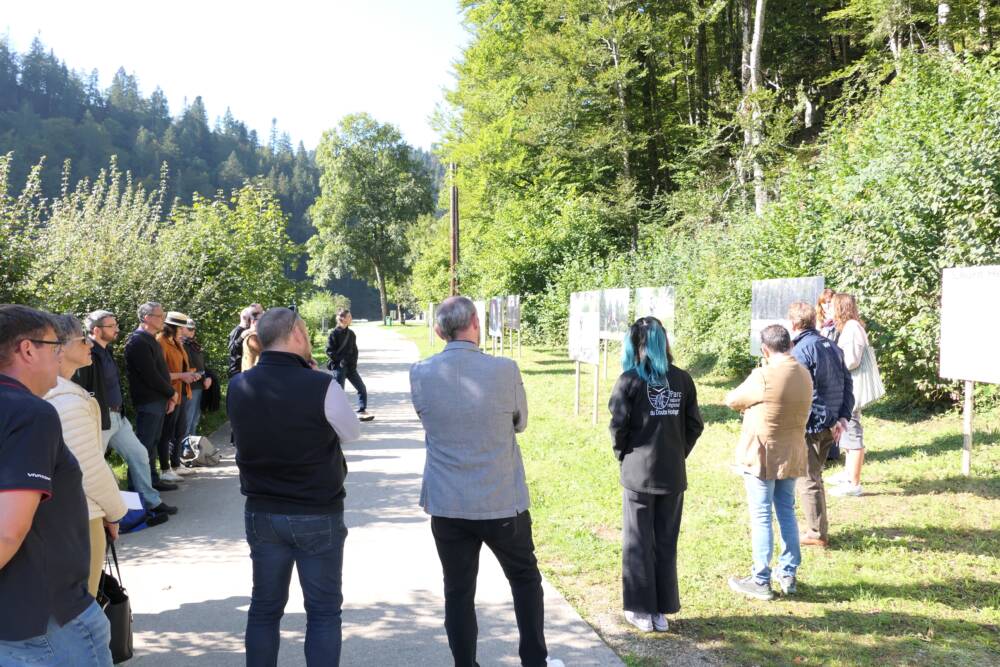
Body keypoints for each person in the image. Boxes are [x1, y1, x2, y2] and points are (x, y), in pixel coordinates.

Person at [409, 296, 565, 667]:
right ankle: (533, 660)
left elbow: (426, 418)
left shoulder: (421, 372)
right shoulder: (505, 370)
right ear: (476, 324)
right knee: (525, 580)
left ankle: (465, 664)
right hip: (500, 499)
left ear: (438, 331)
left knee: (458, 591)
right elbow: (520, 422)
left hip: (448, 503)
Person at [228, 308, 361, 667]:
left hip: (262, 509)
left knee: (264, 609)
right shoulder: (322, 385)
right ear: (298, 335)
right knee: (323, 612)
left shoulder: (239, 385)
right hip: (316, 509)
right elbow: (351, 432)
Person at [0, 304, 113, 666]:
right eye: (53, 345)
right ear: (27, 350)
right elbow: (8, 532)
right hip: (47, 622)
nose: (58, 353)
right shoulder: (30, 413)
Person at [608, 316, 704, 633]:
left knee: (638, 540)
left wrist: (624, 456)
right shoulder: (682, 379)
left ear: (635, 344)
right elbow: (694, 426)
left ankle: (641, 608)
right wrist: (677, 451)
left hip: (638, 473)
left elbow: (618, 429)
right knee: (664, 541)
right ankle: (660, 611)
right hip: (671, 473)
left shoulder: (629, 381)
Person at [725, 324, 813, 600]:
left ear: (765, 349)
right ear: (789, 345)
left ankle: (760, 578)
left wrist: (750, 407)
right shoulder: (804, 373)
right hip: (792, 452)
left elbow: (733, 399)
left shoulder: (763, 375)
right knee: (786, 511)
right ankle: (788, 572)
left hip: (763, 455)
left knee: (762, 515)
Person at [45, 314, 129, 596]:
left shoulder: (51, 394)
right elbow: (88, 469)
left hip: (63, 512)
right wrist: (115, 511)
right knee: (83, 604)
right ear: (60, 347)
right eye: (83, 339)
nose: (89, 344)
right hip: (83, 513)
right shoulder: (66, 400)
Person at [76, 309, 176, 516]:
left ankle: (150, 502)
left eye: (116, 325)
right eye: (111, 326)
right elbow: (82, 388)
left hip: (118, 417)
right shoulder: (86, 353)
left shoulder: (107, 351)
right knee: (94, 466)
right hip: (99, 418)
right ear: (96, 329)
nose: (117, 330)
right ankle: (102, 513)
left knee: (139, 454)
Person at [788, 301, 855, 548]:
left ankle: (816, 533)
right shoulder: (833, 347)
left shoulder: (801, 351)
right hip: (832, 423)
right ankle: (818, 527)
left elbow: (804, 392)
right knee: (814, 477)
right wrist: (842, 418)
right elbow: (848, 385)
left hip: (813, 425)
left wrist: (810, 421)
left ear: (794, 324)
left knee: (807, 478)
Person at [124, 301, 179, 492]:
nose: (163, 319)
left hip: (158, 399)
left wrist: (169, 397)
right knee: (144, 446)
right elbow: (151, 376)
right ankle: (137, 489)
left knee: (153, 443)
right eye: (160, 316)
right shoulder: (137, 341)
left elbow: (160, 372)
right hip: (148, 401)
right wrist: (171, 392)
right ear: (147, 318)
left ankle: (152, 480)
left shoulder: (151, 339)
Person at [827, 293, 869, 497]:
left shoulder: (852, 328)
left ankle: (854, 483)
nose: (829, 310)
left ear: (840, 308)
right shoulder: (850, 327)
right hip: (848, 387)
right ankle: (847, 474)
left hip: (851, 389)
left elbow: (851, 360)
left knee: (852, 429)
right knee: (846, 428)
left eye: (832, 306)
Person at [157, 312, 199, 480]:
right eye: (181, 327)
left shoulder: (177, 342)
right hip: (169, 393)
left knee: (180, 430)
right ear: (172, 327)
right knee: (166, 432)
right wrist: (182, 375)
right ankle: (165, 469)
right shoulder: (161, 341)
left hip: (182, 391)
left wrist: (190, 374)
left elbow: (181, 366)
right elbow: (160, 373)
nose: (183, 330)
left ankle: (176, 464)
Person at [326, 309, 374, 421]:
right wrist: (340, 361)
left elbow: (355, 350)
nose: (351, 318)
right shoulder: (333, 334)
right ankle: (338, 414)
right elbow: (329, 351)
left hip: (350, 367)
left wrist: (353, 364)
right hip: (339, 367)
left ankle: (362, 411)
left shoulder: (351, 334)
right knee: (339, 392)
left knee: (362, 388)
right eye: (349, 316)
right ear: (342, 318)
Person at [182, 318, 212, 439]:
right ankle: (183, 452)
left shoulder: (193, 344)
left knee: (194, 420)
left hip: (199, 385)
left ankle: (190, 450)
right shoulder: (181, 344)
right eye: (190, 328)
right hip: (189, 387)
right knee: (187, 421)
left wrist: (207, 377)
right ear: (182, 329)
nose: (193, 331)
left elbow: (201, 365)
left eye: (194, 328)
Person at [228, 304, 262, 378]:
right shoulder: (239, 331)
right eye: (256, 313)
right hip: (238, 372)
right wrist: (241, 336)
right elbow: (232, 351)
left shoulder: (252, 331)